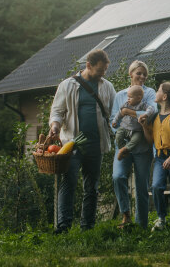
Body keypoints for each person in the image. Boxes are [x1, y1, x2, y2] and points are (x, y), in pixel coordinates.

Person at [48, 49, 116, 234]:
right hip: (71, 144)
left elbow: (113, 114)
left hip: (96, 145)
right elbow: (57, 111)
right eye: (100, 70)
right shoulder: (67, 85)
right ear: (88, 65)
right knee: (68, 183)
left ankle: (87, 227)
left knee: (91, 187)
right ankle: (63, 226)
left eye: (105, 70)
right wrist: (55, 127)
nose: (103, 74)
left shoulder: (107, 87)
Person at [110, 60, 157, 229]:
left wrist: (127, 112)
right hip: (123, 145)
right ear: (130, 74)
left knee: (142, 186)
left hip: (143, 147)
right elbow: (113, 119)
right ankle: (126, 215)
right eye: (139, 73)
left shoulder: (150, 93)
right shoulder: (120, 95)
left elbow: (151, 113)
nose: (142, 77)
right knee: (118, 176)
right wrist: (122, 136)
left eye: (145, 74)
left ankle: (142, 225)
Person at [140, 81, 170, 231]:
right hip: (160, 158)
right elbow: (151, 141)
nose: (156, 93)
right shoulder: (155, 118)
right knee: (156, 187)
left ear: (164, 96)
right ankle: (161, 218)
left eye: (158, 91)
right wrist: (143, 126)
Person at [112, 85, 155, 161]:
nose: (128, 99)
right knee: (118, 136)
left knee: (136, 139)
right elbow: (119, 113)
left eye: (130, 97)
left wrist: (145, 114)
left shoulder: (142, 105)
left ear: (138, 98)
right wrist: (115, 121)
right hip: (124, 127)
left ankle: (125, 149)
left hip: (136, 130)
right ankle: (122, 150)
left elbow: (151, 109)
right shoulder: (126, 104)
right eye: (128, 97)